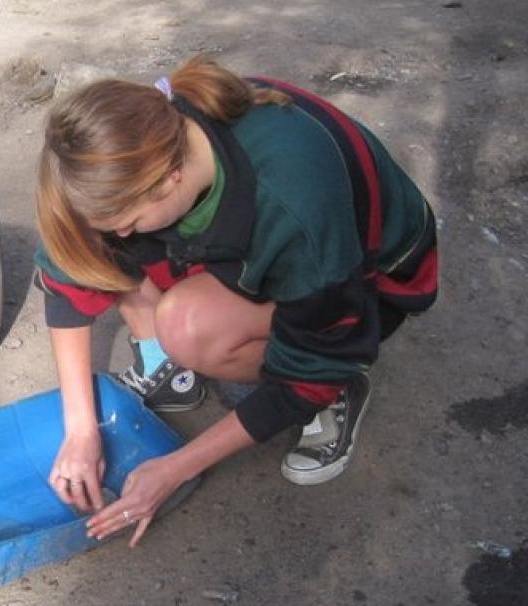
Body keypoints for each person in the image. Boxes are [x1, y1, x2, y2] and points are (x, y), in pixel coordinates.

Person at [32, 54, 438, 547]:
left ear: (166, 180)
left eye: (129, 218)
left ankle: (344, 391)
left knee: (188, 327)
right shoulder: (145, 137)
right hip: (262, 242)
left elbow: (313, 366)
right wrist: (80, 431)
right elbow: (69, 273)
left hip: (373, 279)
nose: (121, 231)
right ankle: (165, 359)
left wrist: (176, 468)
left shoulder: (293, 207)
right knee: (106, 254)